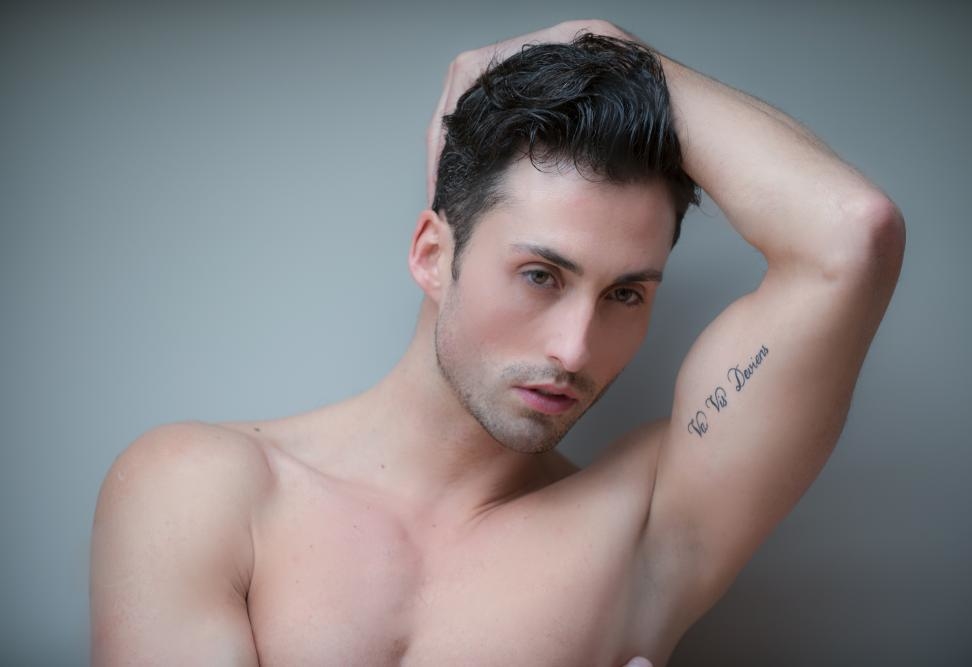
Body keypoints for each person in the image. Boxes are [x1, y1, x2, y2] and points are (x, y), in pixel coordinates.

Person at [89, 19, 904, 666]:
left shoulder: (645, 528)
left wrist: (611, 44)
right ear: (431, 253)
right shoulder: (203, 489)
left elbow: (852, 234)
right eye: (541, 275)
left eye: (625, 294)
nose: (575, 349)